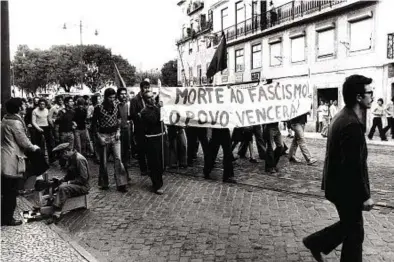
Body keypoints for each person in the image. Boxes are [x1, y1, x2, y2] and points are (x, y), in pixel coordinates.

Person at [303, 74, 374, 262]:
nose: (372, 97)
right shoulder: (351, 124)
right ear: (359, 97)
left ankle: (315, 242)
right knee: (355, 233)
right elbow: (353, 166)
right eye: (370, 93)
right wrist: (365, 196)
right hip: (345, 189)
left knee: (349, 227)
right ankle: (315, 242)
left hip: (337, 186)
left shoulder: (342, 116)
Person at [2, 98, 40, 226]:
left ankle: (4, 216)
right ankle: (7, 219)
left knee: (6, 189)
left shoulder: (5, 119)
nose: (24, 106)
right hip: (12, 159)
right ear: (18, 107)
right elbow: (23, 141)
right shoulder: (15, 123)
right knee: (11, 191)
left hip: (4, 156)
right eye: (22, 104)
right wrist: (33, 147)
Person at [91, 88, 128, 192]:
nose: (112, 99)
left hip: (115, 136)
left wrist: (118, 131)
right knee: (103, 161)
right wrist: (99, 137)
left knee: (118, 159)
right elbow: (93, 125)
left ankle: (121, 183)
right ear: (106, 97)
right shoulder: (98, 108)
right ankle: (104, 183)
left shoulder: (116, 106)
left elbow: (119, 120)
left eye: (113, 97)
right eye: (110, 97)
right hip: (103, 136)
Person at [51, 143, 90, 217]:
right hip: (76, 184)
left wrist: (68, 182)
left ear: (66, 152)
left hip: (83, 186)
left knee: (63, 188)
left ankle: (57, 211)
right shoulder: (71, 158)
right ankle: (51, 203)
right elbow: (69, 175)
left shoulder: (79, 159)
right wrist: (61, 180)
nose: (62, 158)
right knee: (55, 183)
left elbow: (84, 178)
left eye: (62, 155)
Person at [140, 91, 165, 194]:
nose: (152, 99)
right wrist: (159, 109)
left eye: (153, 96)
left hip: (160, 137)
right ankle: (156, 185)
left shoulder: (155, 108)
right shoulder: (144, 111)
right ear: (146, 100)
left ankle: (158, 180)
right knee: (154, 162)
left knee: (161, 161)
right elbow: (154, 120)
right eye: (150, 98)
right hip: (151, 139)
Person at [130, 81, 151, 176]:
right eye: (145, 88)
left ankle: (149, 167)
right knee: (141, 149)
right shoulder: (134, 100)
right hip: (139, 128)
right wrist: (142, 114)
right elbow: (133, 114)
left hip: (149, 128)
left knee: (149, 149)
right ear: (141, 88)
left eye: (148, 87)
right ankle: (143, 169)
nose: (147, 89)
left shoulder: (149, 98)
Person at [32, 98, 55, 163]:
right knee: (39, 144)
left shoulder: (47, 110)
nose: (42, 105)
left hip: (46, 127)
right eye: (41, 104)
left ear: (45, 105)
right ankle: (40, 160)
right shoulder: (35, 111)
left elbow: (48, 119)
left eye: (43, 104)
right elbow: (33, 122)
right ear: (38, 104)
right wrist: (38, 128)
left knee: (49, 144)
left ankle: (51, 159)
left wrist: (52, 125)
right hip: (38, 128)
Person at [117, 87, 132, 170]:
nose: (124, 95)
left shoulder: (128, 105)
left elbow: (129, 117)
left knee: (127, 149)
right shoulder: (116, 105)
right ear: (118, 95)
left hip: (127, 130)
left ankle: (126, 168)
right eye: (122, 94)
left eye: (125, 94)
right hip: (119, 131)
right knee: (120, 151)